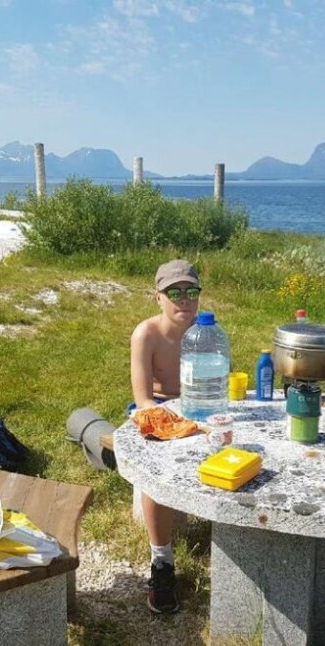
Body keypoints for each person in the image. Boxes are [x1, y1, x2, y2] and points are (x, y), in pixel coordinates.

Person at [129, 259, 202, 614]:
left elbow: (216, 383)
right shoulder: (147, 334)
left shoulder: (206, 332)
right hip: (157, 408)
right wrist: (171, 423)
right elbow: (143, 398)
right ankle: (162, 562)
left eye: (191, 291)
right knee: (156, 470)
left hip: (197, 408)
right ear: (158, 297)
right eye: (174, 292)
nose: (183, 299)